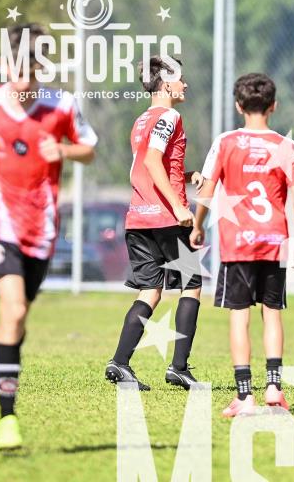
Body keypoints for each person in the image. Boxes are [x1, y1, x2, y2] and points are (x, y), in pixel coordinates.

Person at [0, 23, 98, 450]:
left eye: (30, 70)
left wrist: (63, 150)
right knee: (14, 307)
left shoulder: (61, 105)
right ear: (3, 64)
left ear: (42, 67)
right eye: (15, 70)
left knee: (18, 318)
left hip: (40, 226)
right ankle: (8, 418)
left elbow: (89, 148)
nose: (22, 80)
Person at [190, 73, 294, 416]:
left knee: (239, 316)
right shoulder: (286, 146)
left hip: (237, 243)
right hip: (274, 240)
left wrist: (197, 226)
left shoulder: (226, 142)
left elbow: (207, 192)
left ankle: (245, 396)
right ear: (274, 106)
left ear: (238, 106)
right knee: (272, 313)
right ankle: (274, 388)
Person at [105, 56, 204, 391]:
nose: (185, 84)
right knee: (191, 285)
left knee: (150, 290)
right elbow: (151, 160)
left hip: (138, 218)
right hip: (165, 218)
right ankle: (179, 368)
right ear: (165, 84)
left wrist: (187, 176)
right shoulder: (170, 116)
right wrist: (178, 205)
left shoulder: (141, 120)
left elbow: (147, 168)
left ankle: (120, 363)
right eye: (180, 79)